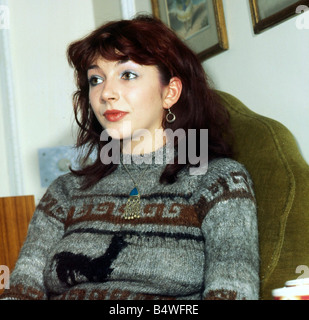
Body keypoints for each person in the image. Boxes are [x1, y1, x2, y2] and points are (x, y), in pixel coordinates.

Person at [1, 14, 259, 300]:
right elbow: (23, 289)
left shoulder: (217, 181)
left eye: (128, 74)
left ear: (170, 92)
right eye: (96, 79)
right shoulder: (65, 191)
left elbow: (234, 290)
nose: (106, 93)